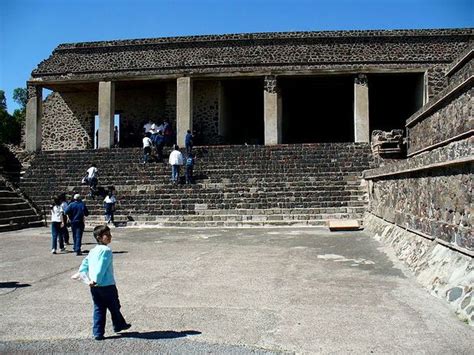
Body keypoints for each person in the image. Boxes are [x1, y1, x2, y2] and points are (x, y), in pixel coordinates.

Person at [78, 225, 131, 340]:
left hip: (94, 286)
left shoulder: (93, 250)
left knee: (99, 308)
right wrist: (96, 279)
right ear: (99, 237)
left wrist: (83, 275)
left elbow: (85, 263)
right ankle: (118, 325)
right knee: (114, 306)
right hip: (107, 285)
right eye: (107, 235)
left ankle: (98, 332)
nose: (110, 236)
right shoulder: (107, 250)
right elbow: (101, 267)